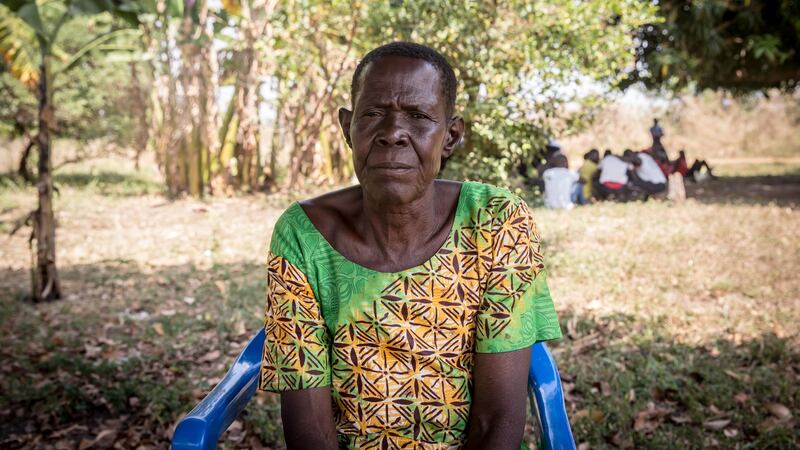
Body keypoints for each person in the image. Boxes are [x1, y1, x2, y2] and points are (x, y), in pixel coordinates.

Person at [259, 42, 562, 449]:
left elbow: (497, 423)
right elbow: (309, 431)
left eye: (418, 117)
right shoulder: (304, 234)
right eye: (373, 115)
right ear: (348, 128)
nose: (392, 135)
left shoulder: (496, 222)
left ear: (451, 136)